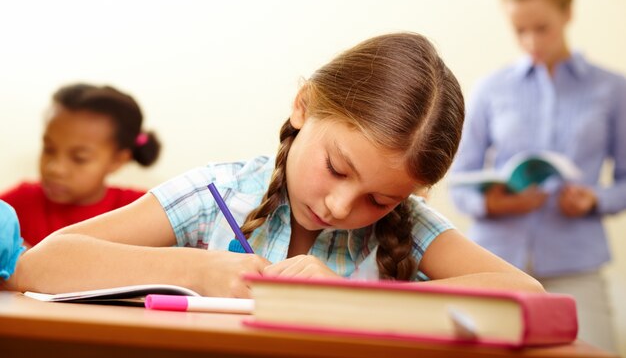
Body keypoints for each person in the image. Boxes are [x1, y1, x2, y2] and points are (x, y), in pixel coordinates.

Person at [8, 33, 543, 299]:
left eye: (380, 200)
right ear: (303, 106)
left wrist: (355, 297)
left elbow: (526, 293)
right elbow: (38, 266)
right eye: (336, 168)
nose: (339, 206)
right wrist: (194, 269)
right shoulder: (215, 193)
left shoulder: (409, 228)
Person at [448, 0, 625, 352]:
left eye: (541, 28)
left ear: (567, 13)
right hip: (494, 263)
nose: (531, 41)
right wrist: (490, 202)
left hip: (576, 266)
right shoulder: (491, 89)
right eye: (519, 30)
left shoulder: (613, 89)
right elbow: (459, 178)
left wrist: (595, 198)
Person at [0, 83, 162, 247]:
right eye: (49, 149)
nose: (55, 168)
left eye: (79, 158)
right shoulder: (17, 204)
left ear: (118, 160)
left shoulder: (142, 210)